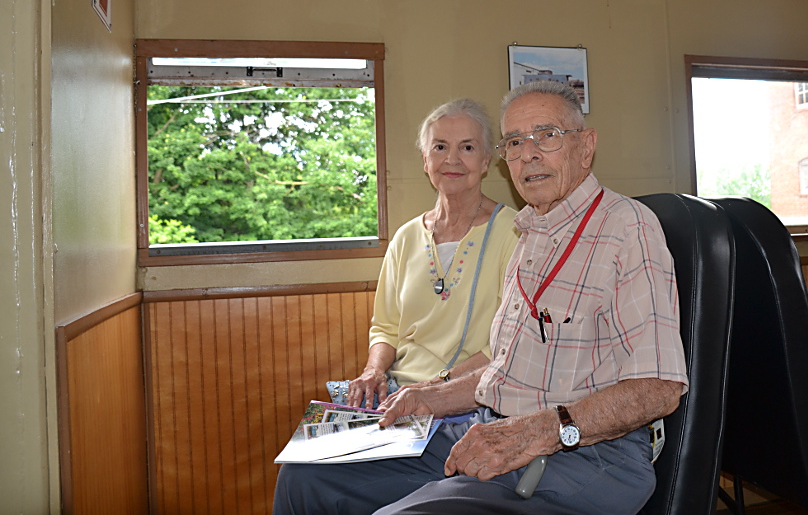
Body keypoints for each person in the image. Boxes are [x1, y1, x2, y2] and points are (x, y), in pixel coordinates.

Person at [274, 81, 688, 514]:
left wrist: (543, 429)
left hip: (582, 455)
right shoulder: (530, 234)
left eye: (546, 136)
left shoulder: (627, 228)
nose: (528, 154)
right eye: (515, 142)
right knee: (308, 475)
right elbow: (502, 371)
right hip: (493, 429)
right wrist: (427, 397)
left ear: (585, 147)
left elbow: (659, 389)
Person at [341, 99, 521, 409]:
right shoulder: (405, 237)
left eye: (467, 148)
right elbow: (385, 328)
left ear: (485, 161)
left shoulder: (514, 232)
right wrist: (373, 372)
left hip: (467, 395)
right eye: (439, 147)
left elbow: (506, 345)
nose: (452, 159)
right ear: (425, 160)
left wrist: (435, 389)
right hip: (397, 391)